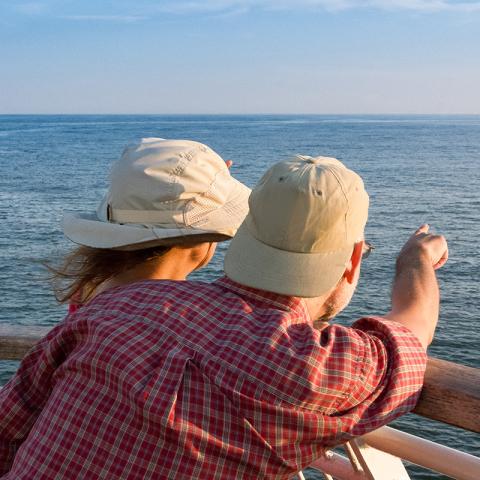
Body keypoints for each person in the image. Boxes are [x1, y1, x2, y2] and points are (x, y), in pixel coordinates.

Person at [0, 155, 447, 479]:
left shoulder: (115, 307)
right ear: (352, 261)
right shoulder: (324, 369)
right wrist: (416, 260)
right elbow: (412, 327)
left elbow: (10, 425)